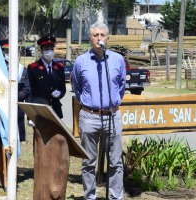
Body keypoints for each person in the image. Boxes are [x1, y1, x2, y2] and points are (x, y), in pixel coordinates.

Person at [72, 21, 126, 199]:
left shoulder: (117, 59)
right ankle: (90, 196)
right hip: (89, 116)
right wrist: (89, 104)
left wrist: (113, 102)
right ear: (90, 39)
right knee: (88, 161)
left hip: (112, 115)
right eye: (96, 35)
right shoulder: (81, 61)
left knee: (115, 162)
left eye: (102, 35)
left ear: (108, 38)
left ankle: (115, 196)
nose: (99, 38)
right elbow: (77, 87)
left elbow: (121, 86)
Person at [0, 38, 30, 191]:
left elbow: (27, 90)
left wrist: (14, 95)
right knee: (0, 145)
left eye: (11, 51)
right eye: (6, 51)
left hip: (15, 114)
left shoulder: (21, 70)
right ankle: (2, 177)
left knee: (13, 144)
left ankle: (11, 175)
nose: (8, 54)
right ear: (2, 52)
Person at [27, 35, 66, 119]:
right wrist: (29, 116)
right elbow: (30, 93)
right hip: (39, 110)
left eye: (51, 49)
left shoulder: (59, 67)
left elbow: (63, 88)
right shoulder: (33, 68)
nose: (49, 51)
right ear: (41, 51)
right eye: (46, 49)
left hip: (55, 109)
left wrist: (59, 93)